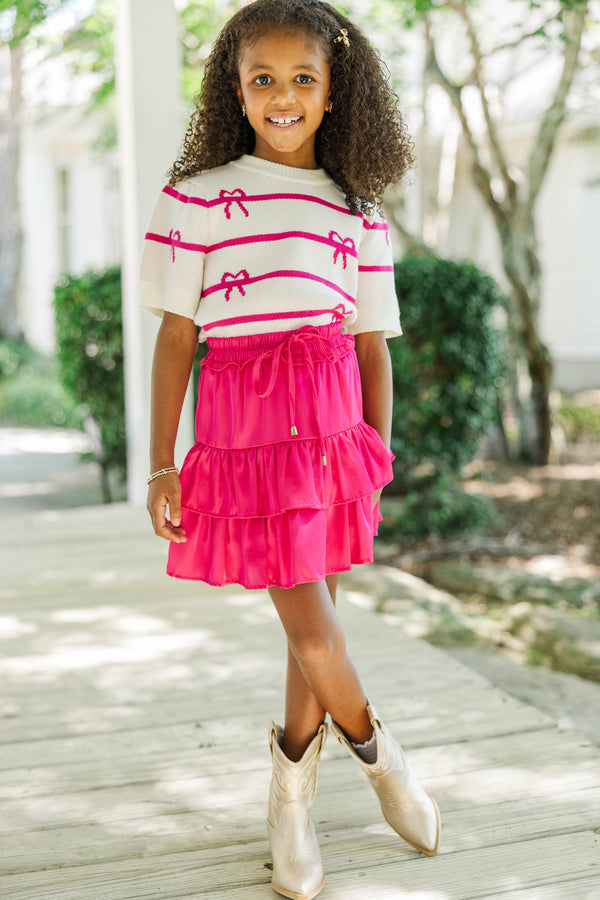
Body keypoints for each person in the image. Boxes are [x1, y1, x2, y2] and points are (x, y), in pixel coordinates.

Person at [141, 1, 440, 897]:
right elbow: (175, 338)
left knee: (318, 627)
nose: (281, 96)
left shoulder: (355, 208)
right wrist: (162, 460)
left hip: (333, 431)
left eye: (302, 79)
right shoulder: (194, 195)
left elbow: (372, 344)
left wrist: (375, 459)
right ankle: (383, 758)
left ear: (333, 91)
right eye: (262, 78)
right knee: (313, 628)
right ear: (234, 88)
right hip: (244, 431)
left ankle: (292, 803)